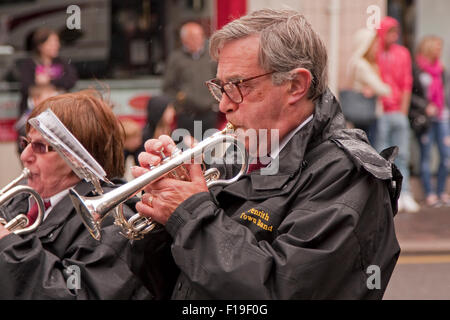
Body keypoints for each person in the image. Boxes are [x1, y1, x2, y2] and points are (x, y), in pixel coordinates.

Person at [132, 9, 401, 299]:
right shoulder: (241, 155)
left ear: (295, 86)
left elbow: (280, 290)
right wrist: (161, 215)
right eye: (220, 88)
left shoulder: (348, 176)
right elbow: (174, 283)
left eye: (237, 86)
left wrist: (190, 214)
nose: (223, 106)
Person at [0, 90, 176, 299]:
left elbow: (78, 293)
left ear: (77, 157)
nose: (24, 156)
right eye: (25, 143)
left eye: (40, 146)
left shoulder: (115, 224)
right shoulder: (19, 202)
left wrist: (8, 245)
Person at [375, 17, 420, 213]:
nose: (394, 36)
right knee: (381, 155)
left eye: (396, 32)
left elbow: (406, 84)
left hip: (397, 112)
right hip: (380, 113)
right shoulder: (375, 53)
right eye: (390, 32)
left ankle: (406, 193)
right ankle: (384, 194)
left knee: (403, 154)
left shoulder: (402, 53)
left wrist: (403, 110)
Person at [410, 36, 450, 207]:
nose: (439, 51)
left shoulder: (441, 70)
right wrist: (425, 106)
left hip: (442, 118)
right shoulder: (417, 70)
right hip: (425, 119)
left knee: (446, 156)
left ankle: (442, 191)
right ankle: (430, 193)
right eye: (437, 47)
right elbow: (411, 94)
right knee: (425, 156)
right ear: (428, 48)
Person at [162, 21, 218, 140]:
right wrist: (176, 103)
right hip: (186, 115)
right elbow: (168, 87)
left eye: (200, 36)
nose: (198, 40)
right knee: (188, 153)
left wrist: (216, 102)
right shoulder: (176, 59)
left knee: (208, 153)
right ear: (184, 40)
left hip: (209, 114)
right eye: (193, 37)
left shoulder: (212, 56)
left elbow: (219, 80)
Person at [16, 28, 78, 118]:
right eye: (51, 43)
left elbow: (71, 81)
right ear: (40, 46)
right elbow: (25, 86)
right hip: (34, 112)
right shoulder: (29, 63)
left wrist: (50, 82)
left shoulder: (61, 62)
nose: (56, 46)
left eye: (57, 42)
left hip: (59, 111)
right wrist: (38, 85)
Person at [347, 28, 391, 145]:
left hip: (362, 113)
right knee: (370, 149)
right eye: (374, 44)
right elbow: (383, 89)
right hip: (367, 114)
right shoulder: (362, 65)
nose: (377, 47)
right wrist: (381, 89)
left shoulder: (356, 62)